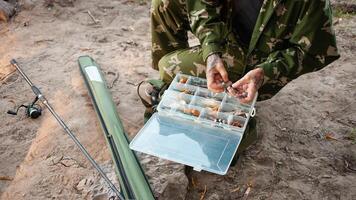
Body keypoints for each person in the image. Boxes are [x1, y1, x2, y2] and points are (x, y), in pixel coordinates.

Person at [145, 0, 339, 159]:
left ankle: (227, 104)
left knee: (168, 65)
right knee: (164, 3)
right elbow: (202, 4)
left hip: (258, 59)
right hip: (226, 32)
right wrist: (211, 51)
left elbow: (317, 52)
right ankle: (173, 88)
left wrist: (266, 72)